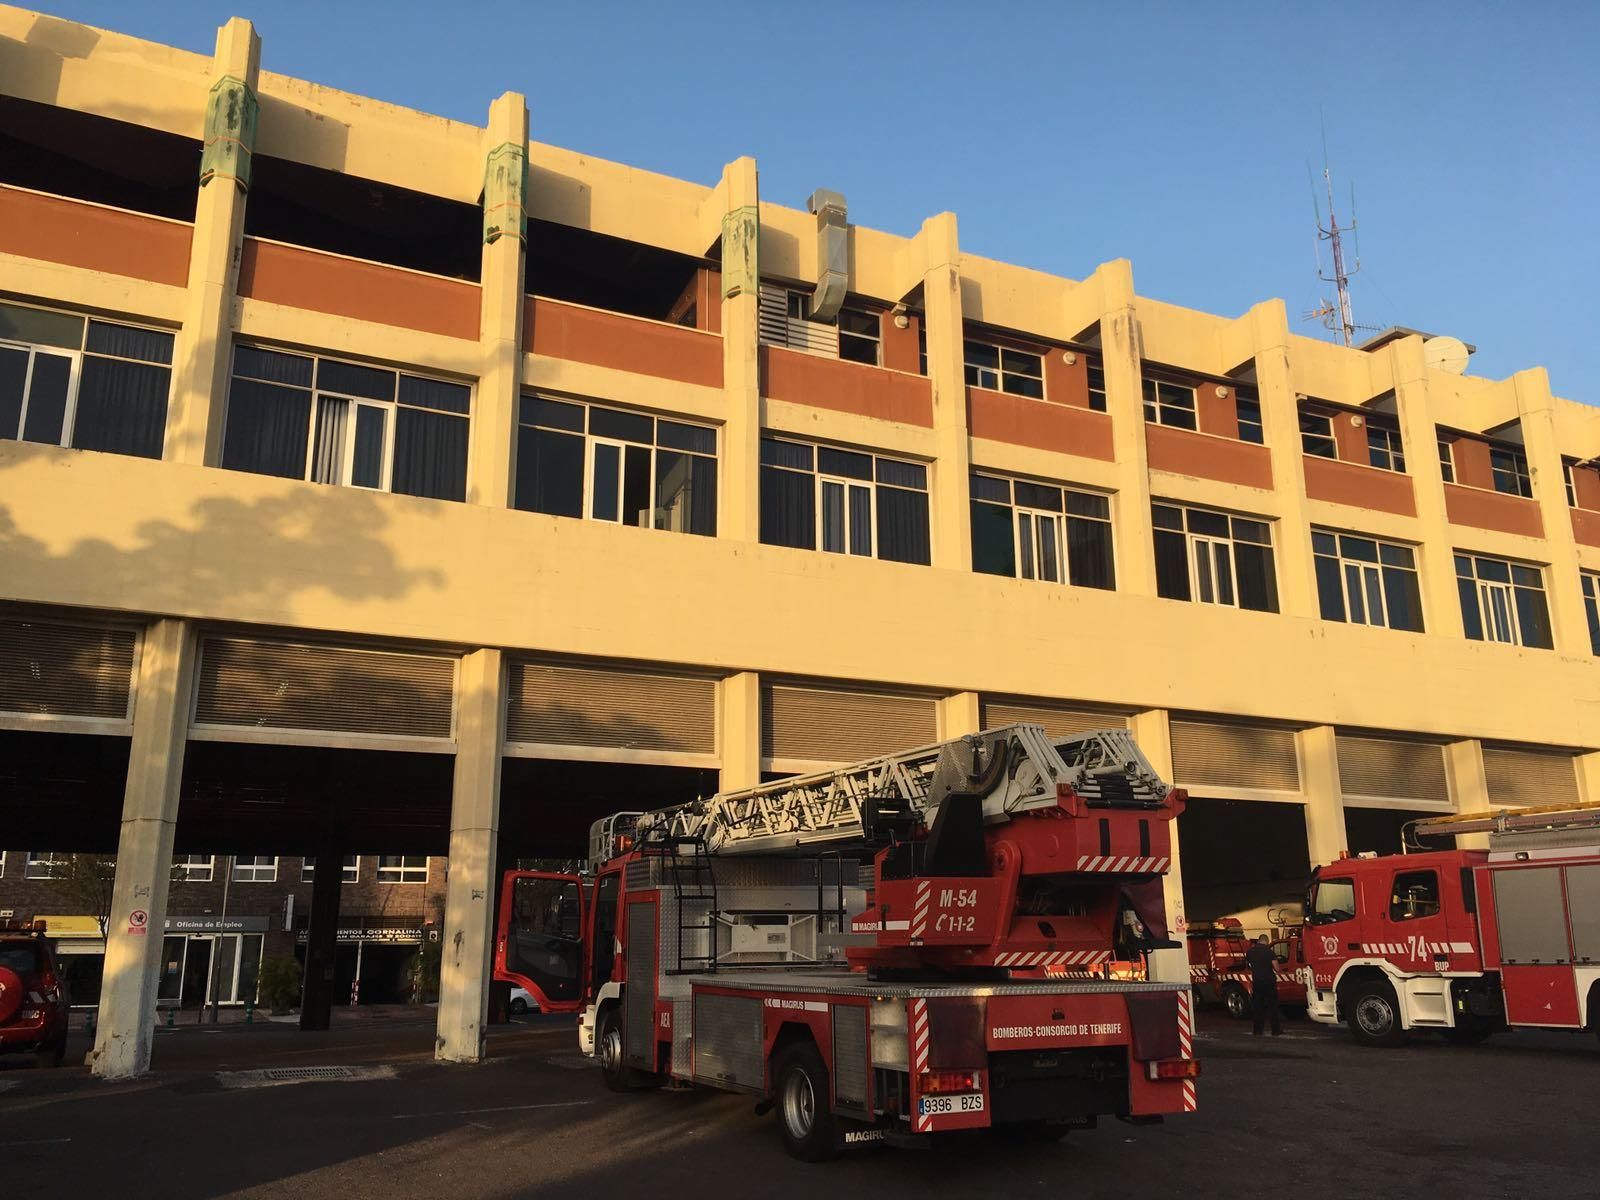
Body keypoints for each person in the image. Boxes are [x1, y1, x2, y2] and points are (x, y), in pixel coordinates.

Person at [1245, 933, 1282, 1037]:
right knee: (1272, 1006)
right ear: (1266, 941)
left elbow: (1248, 965)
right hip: (1269, 981)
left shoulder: (1250, 952)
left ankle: (1257, 1031)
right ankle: (1275, 1030)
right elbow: (1276, 968)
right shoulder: (1269, 951)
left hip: (1257, 981)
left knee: (1258, 1007)